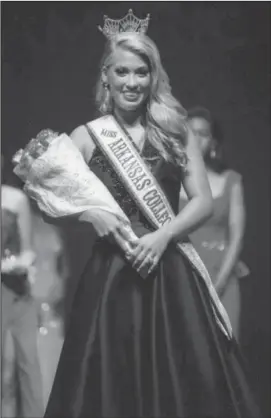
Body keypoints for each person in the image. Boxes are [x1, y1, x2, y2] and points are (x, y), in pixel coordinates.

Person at [41, 17, 260, 418]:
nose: (132, 81)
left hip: (170, 272)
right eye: (121, 71)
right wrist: (90, 214)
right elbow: (50, 203)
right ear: (105, 76)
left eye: (141, 72)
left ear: (153, 77)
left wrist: (162, 237)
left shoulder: (175, 130)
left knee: (183, 380)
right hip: (112, 275)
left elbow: (202, 202)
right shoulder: (87, 136)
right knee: (110, 380)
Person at [179, 107, 248, 340]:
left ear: (214, 142)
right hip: (180, 275)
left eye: (202, 133)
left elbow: (236, 237)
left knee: (223, 353)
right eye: (190, 133)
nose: (196, 139)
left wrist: (217, 286)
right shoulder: (168, 181)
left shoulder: (231, 181)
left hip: (222, 274)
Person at [1, 162, 44, 418]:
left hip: (17, 289)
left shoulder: (15, 198)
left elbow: (28, 248)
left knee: (29, 364)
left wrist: (22, 263)